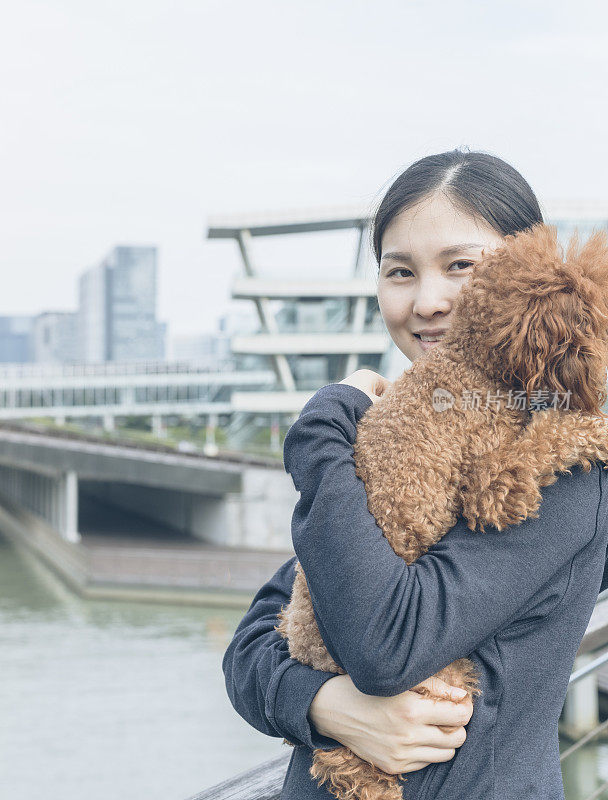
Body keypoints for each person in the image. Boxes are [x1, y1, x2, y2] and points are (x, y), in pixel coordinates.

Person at [222, 149, 608, 799]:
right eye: (399, 272)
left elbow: (385, 642)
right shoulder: (393, 438)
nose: (428, 301)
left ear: (529, 270)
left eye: (461, 266)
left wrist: (322, 429)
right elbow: (257, 634)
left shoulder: (560, 460)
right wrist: (321, 705)